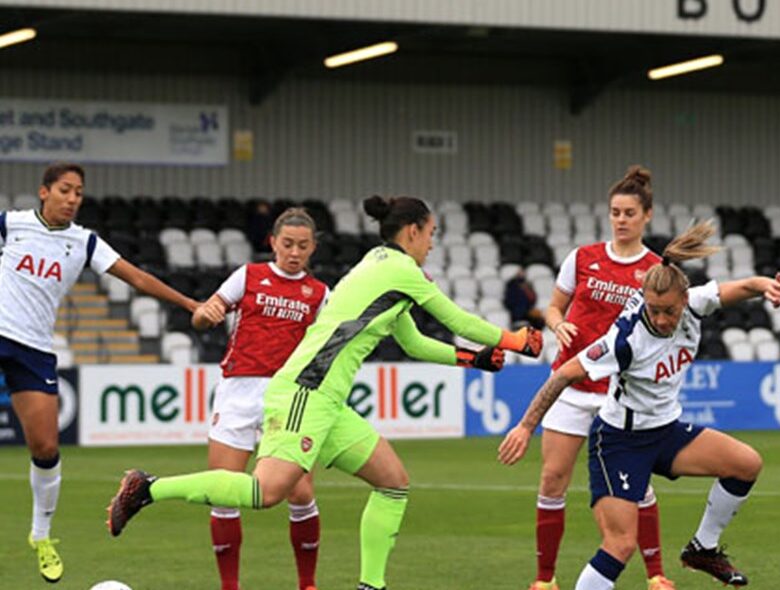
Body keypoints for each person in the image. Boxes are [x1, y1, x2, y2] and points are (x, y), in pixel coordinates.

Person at [107, 195, 544, 590]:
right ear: (412, 231)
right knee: (266, 493)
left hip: (326, 401)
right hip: (306, 391)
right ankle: (148, 488)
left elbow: (412, 342)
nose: (432, 243)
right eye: (431, 233)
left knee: (393, 484)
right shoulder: (400, 270)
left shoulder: (378, 264)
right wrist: (516, 340)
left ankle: (371, 586)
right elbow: (458, 319)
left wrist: (472, 360)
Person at [499, 220, 780, 590]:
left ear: (684, 301)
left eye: (669, 311)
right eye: (653, 310)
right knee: (619, 545)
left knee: (746, 464)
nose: (661, 319)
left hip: (665, 432)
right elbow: (563, 375)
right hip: (619, 443)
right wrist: (526, 426)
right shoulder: (624, 340)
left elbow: (745, 287)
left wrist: (767, 286)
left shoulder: (696, 303)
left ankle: (702, 549)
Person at [0, 162, 199, 584]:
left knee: (46, 448)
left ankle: (41, 535)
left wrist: (190, 304)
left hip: (34, 350)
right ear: (44, 192)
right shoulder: (11, 224)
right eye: (65, 190)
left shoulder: (85, 242)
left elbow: (138, 278)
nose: (72, 198)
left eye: (78, 192)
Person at [528, 165, 669, 590]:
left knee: (637, 486)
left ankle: (656, 575)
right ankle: (545, 580)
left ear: (647, 215)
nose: (621, 220)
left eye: (629, 213)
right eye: (615, 212)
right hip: (571, 386)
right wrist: (558, 325)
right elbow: (553, 307)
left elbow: (664, 326)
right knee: (552, 479)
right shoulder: (582, 258)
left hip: (621, 394)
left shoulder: (656, 269)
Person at [190, 207, 329, 590]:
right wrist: (206, 314)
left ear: (313, 248)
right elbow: (201, 317)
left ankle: (307, 584)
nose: (294, 252)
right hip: (238, 391)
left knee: (300, 492)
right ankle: (230, 586)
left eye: (303, 245)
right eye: (288, 244)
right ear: (273, 242)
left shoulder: (320, 294)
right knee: (223, 490)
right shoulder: (248, 276)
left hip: (288, 397)